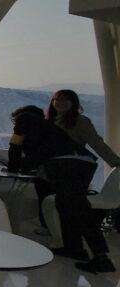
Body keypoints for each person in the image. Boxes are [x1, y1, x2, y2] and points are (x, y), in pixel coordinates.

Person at [8, 106, 113, 273]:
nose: (15, 125)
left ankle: (101, 258)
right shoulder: (49, 128)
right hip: (85, 162)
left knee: (78, 209)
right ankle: (73, 248)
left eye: (15, 121)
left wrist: (15, 166)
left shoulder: (26, 123)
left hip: (65, 165)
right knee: (65, 204)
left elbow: (18, 150)